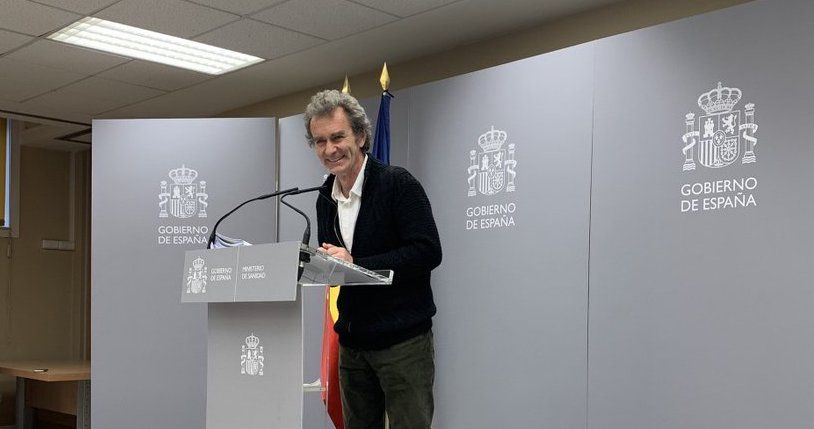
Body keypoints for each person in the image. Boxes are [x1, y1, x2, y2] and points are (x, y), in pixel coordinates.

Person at [304, 89, 442, 429]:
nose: (329, 149)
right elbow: (340, 263)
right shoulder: (325, 198)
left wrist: (356, 260)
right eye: (320, 141)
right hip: (353, 343)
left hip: (403, 343)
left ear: (362, 136)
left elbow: (427, 251)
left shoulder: (398, 184)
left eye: (338, 137)